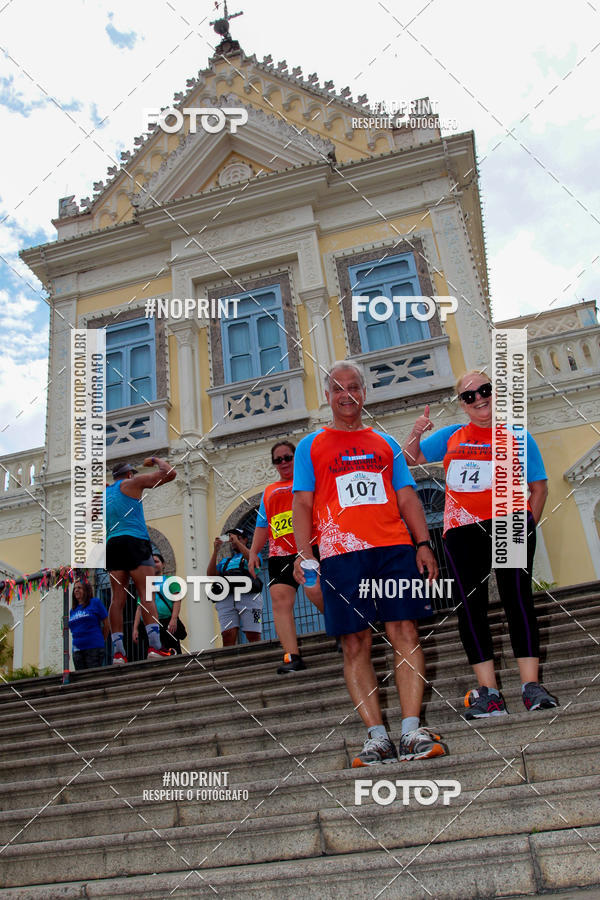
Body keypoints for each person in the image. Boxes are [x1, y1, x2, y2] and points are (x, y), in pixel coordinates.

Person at [292, 360, 446, 767]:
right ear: (328, 396)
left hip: (394, 548)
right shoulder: (311, 445)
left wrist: (423, 544)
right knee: (355, 641)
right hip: (342, 554)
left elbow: (409, 496)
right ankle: (377, 737)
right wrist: (305, 554)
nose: (347, 394)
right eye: (338, 388)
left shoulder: (385, 444)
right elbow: (303, 503)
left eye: (354, 387)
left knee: (405, 631)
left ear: (364, 393)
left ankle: (412, 730)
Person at [404, 370, 558, 718]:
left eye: (484, 390)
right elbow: (409, 461)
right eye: (469, 396)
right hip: (462, 531)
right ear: (461, 404)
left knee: (517, 600)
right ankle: (489, 693)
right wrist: (416, 432)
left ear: (495, 392)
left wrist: (526, 525)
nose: (478, 399)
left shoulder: (518, 435)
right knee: (469, 608)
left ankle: (531, 687)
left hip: (509, 524)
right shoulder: (451, 435)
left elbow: (539, 487)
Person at [248, 441, 324, 674]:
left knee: (315, 591)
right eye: (277, 460)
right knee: (280, 602)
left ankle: (344, 629)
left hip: (308, 547)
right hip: (279, 553)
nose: (283, 463)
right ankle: (292, 656)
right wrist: (252, 552)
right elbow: (263, 524)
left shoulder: (309, 481)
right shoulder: (269, 491)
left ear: (296, 458)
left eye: (287, 457)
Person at [105, 458, 176, 664]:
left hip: (112, 543)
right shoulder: (131, 483)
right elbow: (170, 473)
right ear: (128, 474)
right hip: (135, 540)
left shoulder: (105, 494)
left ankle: (118, 653)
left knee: (116, 600)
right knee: (146, 594)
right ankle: (154, 646)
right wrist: (154, 460)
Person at [207, 528, 263, 646]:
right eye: (231, 538)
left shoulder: (254, 554)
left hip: (250, 597)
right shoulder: (226, 561)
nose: (232, 540)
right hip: (227, 598)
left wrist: (237, 542)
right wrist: (215, 551)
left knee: (253, 634)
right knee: (227, 635)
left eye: (238, 537)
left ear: (245, 539)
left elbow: (254, 562)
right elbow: (211, 576)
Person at [132, 552, 185, 655]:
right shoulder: (144, 584)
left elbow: (177, 600)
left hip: (167, 623)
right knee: (152, 655)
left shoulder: (170, 580)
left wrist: (173, 619)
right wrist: (135, 629)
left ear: (163, 564)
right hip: (149, 625)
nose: (153, 564)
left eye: (156, 561)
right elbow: (140, 608)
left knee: (172, 654)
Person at [68, 579, 109, 670]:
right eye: (74, 588)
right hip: (77, 650)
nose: (76, 590)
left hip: (93, 647)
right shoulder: (72, 611)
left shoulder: (95, 603)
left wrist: (102, 640)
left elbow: (106, 623)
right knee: (81, 680)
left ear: (86, 590)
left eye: (79, 588)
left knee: (92, 678)